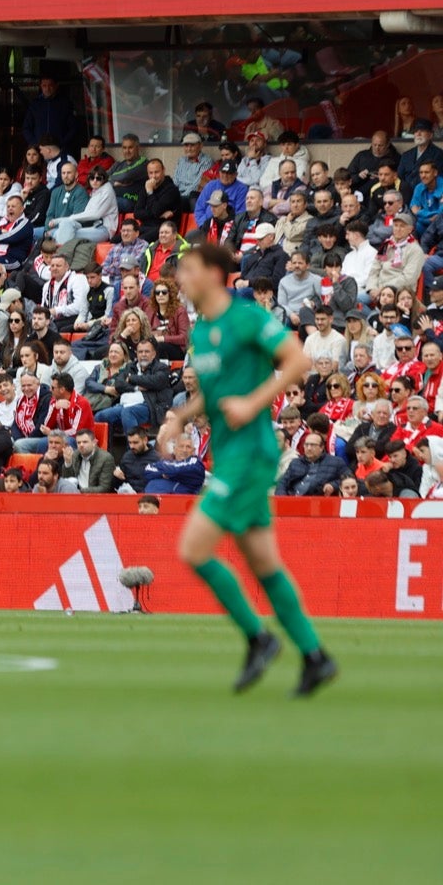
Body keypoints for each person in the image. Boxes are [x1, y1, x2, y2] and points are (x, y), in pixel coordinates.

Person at [159, 243, 336, 696]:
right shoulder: (203, 332)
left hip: (250, 454)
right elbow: (215, 391)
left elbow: (297, 361)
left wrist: (253, 403)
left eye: (188, 270)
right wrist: (181, 415)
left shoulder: (248, 317)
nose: (181, 279)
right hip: (232, 451)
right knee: (263, 562)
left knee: (194, 549)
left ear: (215, 275)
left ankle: (259, 638)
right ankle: (315, 656)